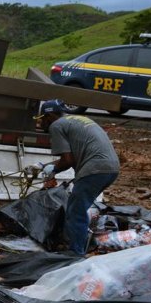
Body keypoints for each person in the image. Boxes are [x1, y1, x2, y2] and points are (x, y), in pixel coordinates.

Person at [31, 99, 119, 256]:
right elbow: (72, 156)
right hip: (111, 168)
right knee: (79, 207)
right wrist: (45, 166)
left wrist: (54, 170)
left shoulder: (56, 126)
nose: (41, 124)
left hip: (95, 168)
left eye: (42, 119)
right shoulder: (78, 120)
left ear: (49, 116)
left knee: (75, 211)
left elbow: (67, 160)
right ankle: (79, 245)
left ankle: (76, 254)